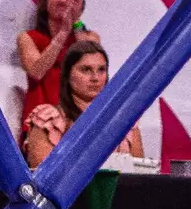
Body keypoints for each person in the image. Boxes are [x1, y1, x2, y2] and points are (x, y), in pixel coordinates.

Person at [23, 41, 143, 170]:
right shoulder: (47, 120)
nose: (95, 78)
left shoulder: (126, 122)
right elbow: (42, 179)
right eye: (86, 70)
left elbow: (139, 176)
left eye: (101, 70)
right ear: (68, 75)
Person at [17, 0, 101, 127]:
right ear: (45, 1)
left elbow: (90, 61)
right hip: (40, 125)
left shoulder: (90, 38)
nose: (63, 0)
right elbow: (36, 72)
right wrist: (62, 33)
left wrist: (75, 22)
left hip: (79, 124)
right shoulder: (28, 38)